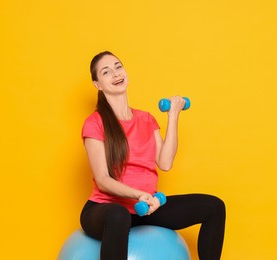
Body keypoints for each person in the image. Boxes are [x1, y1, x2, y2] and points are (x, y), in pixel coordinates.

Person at [80, 51, 226, 260]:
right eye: (106, 72)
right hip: (105, 210)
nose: (115, 74)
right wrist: (138, 194)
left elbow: (165, 163)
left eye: (118, 66)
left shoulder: (146, 119)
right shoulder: (94, 123)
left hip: (146, 208)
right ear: (98, 84)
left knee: (214, 207)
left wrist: (173, 115)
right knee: (118, 215)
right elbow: (103, 180)